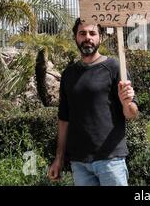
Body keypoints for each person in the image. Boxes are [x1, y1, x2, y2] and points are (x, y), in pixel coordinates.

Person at [47, 18, 139, 186]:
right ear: (75, 37)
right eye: (82, 33)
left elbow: (132, 114)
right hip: (80, 162)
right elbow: (63, 119)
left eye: (92, 33)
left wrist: (126, 103)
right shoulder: (68, 74)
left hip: (110, 159)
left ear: (100, 38)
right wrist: (58, 158)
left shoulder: (114, 67)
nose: (87, 37)